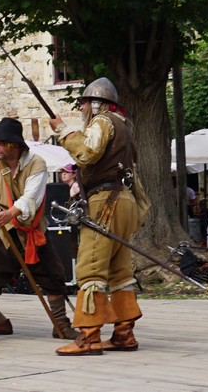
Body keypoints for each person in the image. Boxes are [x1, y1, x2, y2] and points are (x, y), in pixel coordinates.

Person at [49, 77, 150, 356]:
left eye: (83, 103)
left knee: (90, 267)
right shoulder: (125, 127)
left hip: (107, 200)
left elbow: (88, 153)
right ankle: (123, 334)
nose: (81, 108)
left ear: (96, 103)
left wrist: (63, 132)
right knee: (119, 272)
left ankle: (90, 337)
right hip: (123, 200)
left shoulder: (103, 121)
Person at [0, 117, 77, 347]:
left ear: (13, 144)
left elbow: (32, 196)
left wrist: (12, 212)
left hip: (33, 232)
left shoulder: (36, 164)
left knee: (53, 277)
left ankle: (61, 325)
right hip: (4, 234)